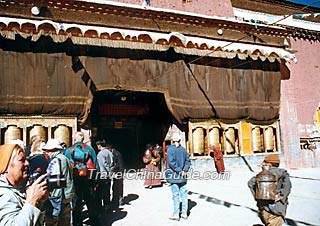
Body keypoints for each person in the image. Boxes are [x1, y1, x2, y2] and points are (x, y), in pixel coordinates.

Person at [0, 144, 49, 226]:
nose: (27, 163)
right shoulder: (4, 195)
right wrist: (32, 201)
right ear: (6, 167)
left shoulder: (16, 191)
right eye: (22, 160)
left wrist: (38, 202)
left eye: (26, 159)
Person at [64, 132, 99, 226]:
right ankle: (94, 222)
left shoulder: (68, 150)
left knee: (76, 203)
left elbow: (65, 167)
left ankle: (77, 223)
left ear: (74, 139)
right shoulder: (89, 149)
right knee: (90, 202)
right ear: (83, 139)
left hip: (74, 180)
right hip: (88, 180)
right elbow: (96, 165)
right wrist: (95, 181)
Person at [248, 154, 292, 226]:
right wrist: (280, 196)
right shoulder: (282, 173)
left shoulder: (261, 174)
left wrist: (258, 196)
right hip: (277, 208)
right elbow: (287, 186)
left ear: (268, 164)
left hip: (263, 208)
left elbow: (250, 183)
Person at [42, 139, 74, 226]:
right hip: (67, 192)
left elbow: (54, 179)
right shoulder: (65, 159)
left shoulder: (55, 160)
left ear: (53, 150)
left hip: (58, 194)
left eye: (48, 151)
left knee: (54, 219)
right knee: (65, 219)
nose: (47, 153)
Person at [166, 134, 191, 221]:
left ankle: (176, 214)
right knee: (184, 195)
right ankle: (184, 213)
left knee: (175, 195)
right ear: (180, 140)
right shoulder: (184, 150)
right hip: (183, 176)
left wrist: (179, 171)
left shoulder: (170, 150)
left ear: (172, 140)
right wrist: (184, 170)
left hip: (174, 176)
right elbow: (188, 161)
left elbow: (171, 163)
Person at [96, 139, 113, 210]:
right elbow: (112, 163)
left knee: (101, 191)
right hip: (108, 175)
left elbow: (103, 164)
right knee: (107, 191)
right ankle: (107, 205)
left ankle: (102, 207)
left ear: (99, 146)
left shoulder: (100, 154)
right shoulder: (109, 152)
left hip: (102, 175)